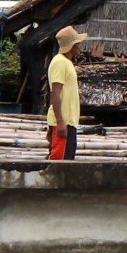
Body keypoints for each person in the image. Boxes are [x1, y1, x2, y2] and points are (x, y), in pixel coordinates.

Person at [46, 25, 87, 161]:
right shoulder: (59, 62)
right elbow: (55, 93)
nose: (79, 46)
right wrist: (60, 121)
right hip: (63, 121)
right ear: (72, 45)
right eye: (77, 43)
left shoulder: (67, 62)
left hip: (70, 121)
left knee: (68, 160)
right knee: (59, 161)